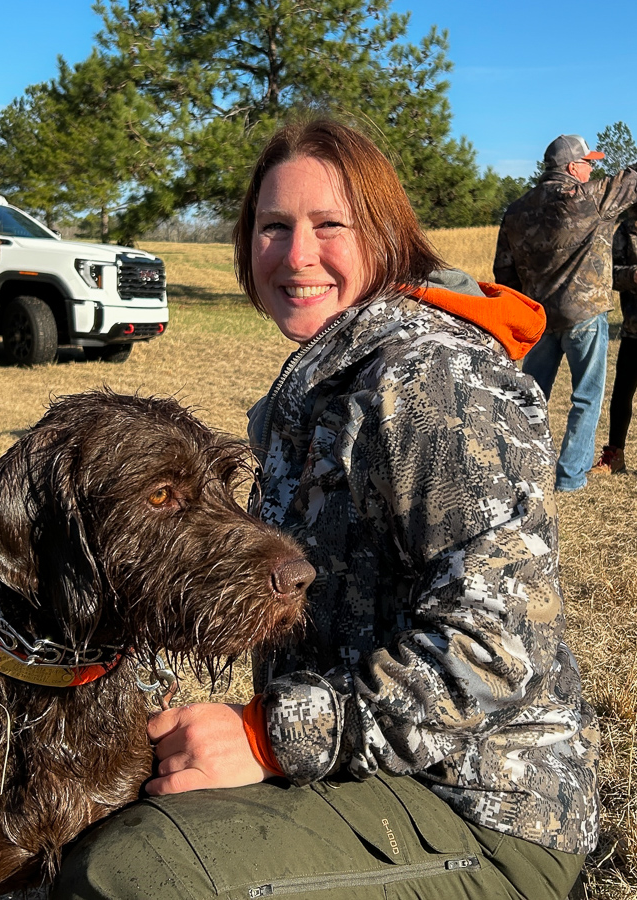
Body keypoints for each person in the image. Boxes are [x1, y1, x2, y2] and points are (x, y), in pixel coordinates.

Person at [52, 120, 599, 900]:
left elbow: (493, 651)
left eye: (329, 225)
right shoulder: (328, 374)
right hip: (368, 773)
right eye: (273, 226)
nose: (296, 255)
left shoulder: (435, 380)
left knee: (130, 874)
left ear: (385, 236)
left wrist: (266, 738)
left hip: (483, 809)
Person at [493, 134, 637, 492]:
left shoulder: (516, 211)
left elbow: (504, 272)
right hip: (584, 316)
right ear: (572, 167)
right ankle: (570, 477)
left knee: (531, 397)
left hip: (538, 318)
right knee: (585, 397)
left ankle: (521, 469)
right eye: (588, 164)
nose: (591, 170)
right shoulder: (589, 198)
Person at [590, 216, 637, 475]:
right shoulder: (627, 231)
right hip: (634, 329)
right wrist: (632, 275)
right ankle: (614, 457)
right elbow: (607, 273)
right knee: (622, 394)